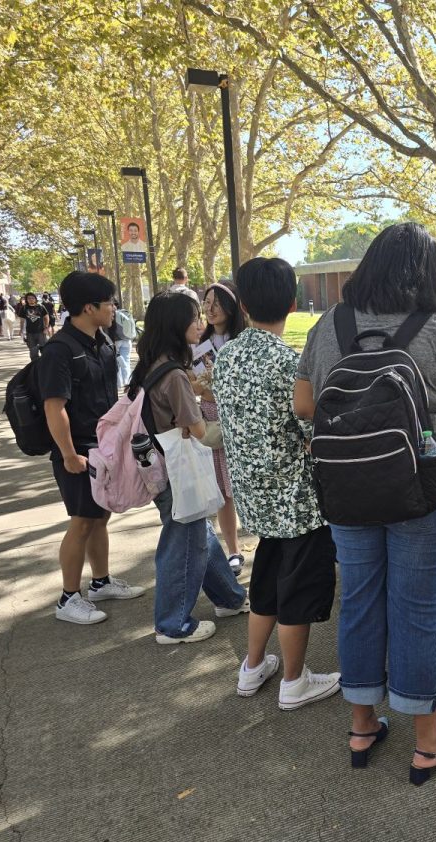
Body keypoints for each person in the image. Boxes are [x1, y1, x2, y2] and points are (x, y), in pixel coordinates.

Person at [294, 222, 436, 778]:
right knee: (417, 609)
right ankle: (427, 742)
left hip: (347, 488)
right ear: (427, 273)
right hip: (426, 490)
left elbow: (305, 406)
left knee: (358, 600)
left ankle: (362, 728)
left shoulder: (326, 328)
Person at [213, 257, 341, 707]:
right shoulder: (292, 364)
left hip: (253, 497)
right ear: (292, 302)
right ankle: (293, 680)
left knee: (266, 580)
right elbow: (315, 435)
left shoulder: (226, 358)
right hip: (297, 500)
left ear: (242, 304)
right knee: (298, 590)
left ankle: (251, 667)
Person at [129, 291, 247, 644]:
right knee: (183, 545)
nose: (201, 323)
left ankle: (230, 598)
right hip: (174, 471)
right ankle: (172, 624)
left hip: (159, 467)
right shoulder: (174, 374)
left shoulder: (153, 363)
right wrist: (239, 431)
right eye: (194, 317)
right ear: (176, 325)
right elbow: (198, 429)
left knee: (200, 535)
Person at [39, 272, 146, 626]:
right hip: (77, 450)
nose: (114, 308)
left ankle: (100, 582)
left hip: (103, 445)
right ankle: (69, 597)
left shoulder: (102, 341)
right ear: (89, 307)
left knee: (101, 514)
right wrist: (69, 454)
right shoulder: (60, 350)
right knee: (82, 520)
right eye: (109, 303)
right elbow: (54, 408)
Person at [194, 280, 245, 571]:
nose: (210, 309)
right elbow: (198, 386)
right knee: (224, 491)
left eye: (217, 302)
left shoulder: (243, 341)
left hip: (242, 418)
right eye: (207, 302)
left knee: (243, 484)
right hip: (213, 422)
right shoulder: (201, 345)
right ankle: (234, 550)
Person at [18, 292, 53, 361]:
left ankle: (45, 364)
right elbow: (22, 320)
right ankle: (35, 366)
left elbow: (46, 317)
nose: (31, 299)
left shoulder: (40, 307)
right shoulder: (24, 308)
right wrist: (21, 330)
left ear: (35, 299)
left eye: (32, 298)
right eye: (29, 298)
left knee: (44, 350)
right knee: (33, 351)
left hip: (41, 331)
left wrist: (46, 328)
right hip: (30, 332)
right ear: (26, 300)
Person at [113, 300, 136, 389]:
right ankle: (127, 381)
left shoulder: (114, 314)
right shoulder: (125, 313)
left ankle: (119, 383)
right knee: (126, 361)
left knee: (117, 362)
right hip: (127, 340)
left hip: (117, 341)